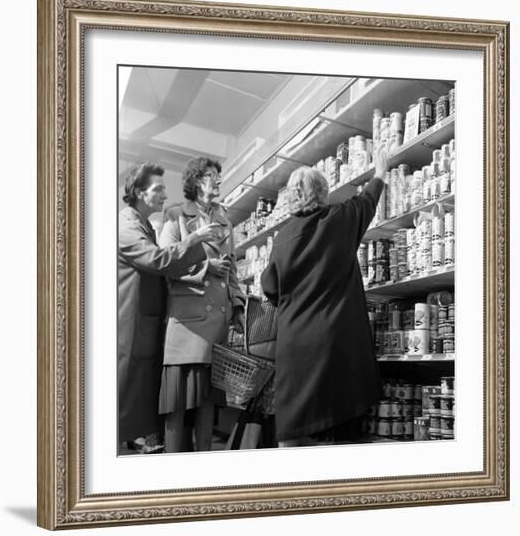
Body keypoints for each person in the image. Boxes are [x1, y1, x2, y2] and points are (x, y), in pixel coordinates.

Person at [260, 149, 388, 447]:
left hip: (294, 343)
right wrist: (380, 173)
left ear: (292, 197)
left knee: (295, 430)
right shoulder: (339, 219)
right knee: (339, 425)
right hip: (334, 341)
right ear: (323, 192)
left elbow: (270, 287)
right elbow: (367, 200)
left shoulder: (281, 238)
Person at [118, 162, 221, 453]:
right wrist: (195, 240)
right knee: (125, 395)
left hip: (147, 323)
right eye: (158, 188)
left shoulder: (144, 225)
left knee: (137, 397)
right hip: (131, 323)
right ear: (139, 192)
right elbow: (159, 261)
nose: (165, 194)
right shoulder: (125, 226)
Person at [159, 157, 245, 452]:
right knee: (178, 407)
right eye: (211, 176)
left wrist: (238, 305)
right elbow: (164, 263)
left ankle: (204, 472)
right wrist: (204, 266)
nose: (218, 181)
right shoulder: (175, 215)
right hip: (187, 324)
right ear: (196, 181)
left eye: (218, 176)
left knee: (207, 406)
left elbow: (232, 269)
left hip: (217, 324)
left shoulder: (225, 218)